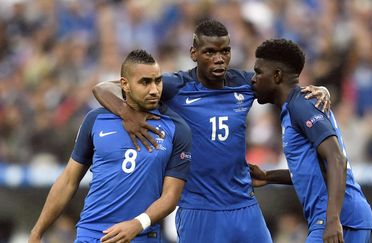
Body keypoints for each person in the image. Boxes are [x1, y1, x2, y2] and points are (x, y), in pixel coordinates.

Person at [93, 20, 330, 242]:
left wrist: (317, 90)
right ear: (194, 54)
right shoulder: (176, 85)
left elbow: (282, 85)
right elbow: (103, 88)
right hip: (199, 209)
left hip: (244, 205)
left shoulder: (245, 83)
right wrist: (127, 114)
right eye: (210, 52)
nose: (219, 59)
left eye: (225, 51)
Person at [29, 49, 192, 243]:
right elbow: (68, 181)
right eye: (145, 82)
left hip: (141, 236)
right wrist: (37, 232)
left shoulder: (177, 129)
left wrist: (138, 223)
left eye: (158, 81)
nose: (154, 90)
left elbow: (171, 196)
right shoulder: (96, 120)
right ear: (125, 84)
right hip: (92, 234)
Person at [249, 39, 372, 243]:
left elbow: (336, 158)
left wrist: (333, 220)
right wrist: (268, 176)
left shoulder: (302, 105)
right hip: (336, 218)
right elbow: (315, 170)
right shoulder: (294, 109)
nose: (253, 79)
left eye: (258, 72)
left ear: (277, 75)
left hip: (339, 218)